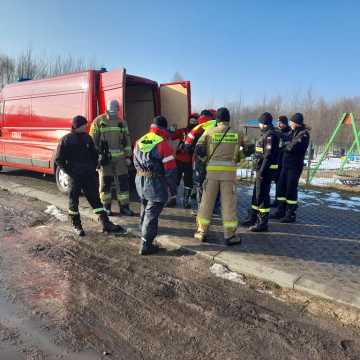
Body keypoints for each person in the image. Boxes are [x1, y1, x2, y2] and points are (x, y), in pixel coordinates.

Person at [55, 115, 127, 236]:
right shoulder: (66, 140)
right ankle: (77, 225)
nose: (86, 127)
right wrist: (70, 172)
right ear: (77, 126)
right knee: (73, 202)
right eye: (84, 125)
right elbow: (58, 160)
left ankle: (105, 223)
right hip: (75, 177)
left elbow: (93, 155)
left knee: (95, 200)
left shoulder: (87, 138)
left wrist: (98, 163)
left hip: (88, 175)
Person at [194, 107, 245, 245]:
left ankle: (201, 232)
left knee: (206, 203)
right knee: (228, 205)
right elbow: (245, 152)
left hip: (211, 174)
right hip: (229, 176)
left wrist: (206, 160)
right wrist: (238, 157)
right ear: (229, 119)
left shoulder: (209, 131)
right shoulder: (238, 133)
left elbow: (199, 149)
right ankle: (230, 235)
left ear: (217, 120)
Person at [133, 116, 178, 255]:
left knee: (144, 208)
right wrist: (173, 190)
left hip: (140, 181)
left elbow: (134, 160)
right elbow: (170, 170)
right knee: (151, 214)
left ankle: (143, 235)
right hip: (155, 184)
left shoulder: (141, 140)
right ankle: (146, 244)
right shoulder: (163, 144)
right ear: (164, 128)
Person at [90, 99, 135, 217]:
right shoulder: (98, 121)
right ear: (107, 109)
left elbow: (127, 140)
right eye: (111, 110)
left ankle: (124, 207)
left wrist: (128, 156)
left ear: (118, 109)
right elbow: (93, 141)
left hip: (120, 159)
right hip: (105, 159)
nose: (113, 112)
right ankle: (106, 207)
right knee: (106, 184)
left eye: (115, 110)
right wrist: (97, 156)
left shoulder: (122, 122)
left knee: (123, 183)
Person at [241, 112, 280, 232]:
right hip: (260, 170)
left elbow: (267, 156)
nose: (259, 124)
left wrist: (262, 171)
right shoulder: (265, 135)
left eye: (260, 122)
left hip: (265, 171)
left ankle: (263, 222)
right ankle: (252, 217)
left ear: (264, 123)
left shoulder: (270, 136)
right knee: (256, 194)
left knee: (262, 195)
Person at [272, 113, 310, 223]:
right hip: (286, 165)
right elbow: (286, 137)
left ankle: (290, 214)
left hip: (294, 166)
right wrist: (276, 133)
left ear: (296, 123)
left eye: (291, 122)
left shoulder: (304, 134)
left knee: (291, 190)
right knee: (280, 188)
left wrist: (284, 146)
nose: (289, 123)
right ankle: (280, 210)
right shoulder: (293, 132)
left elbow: (294, 147)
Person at [184, 110, 217, 213]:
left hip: (199, 161)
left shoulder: (196, 128)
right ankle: (212, 207)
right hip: (215, 161)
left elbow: (187, 146)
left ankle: (200, 208)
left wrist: (192, 149)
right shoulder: (217, 127)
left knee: (199, 184)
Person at [171, 113, 199, 208]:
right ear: (189, 121)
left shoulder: (199, 133)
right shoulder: (183, 131)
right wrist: (172, 130)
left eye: (195, 122)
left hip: (190, 161)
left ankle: (186, 201)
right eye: (191, 121)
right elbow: (172, 136)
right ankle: (172, 199)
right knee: (175, 180)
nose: (193, 123)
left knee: (188, 182)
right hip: (179, 159)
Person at [271, 115, 292, 207]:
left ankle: (282, 203)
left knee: (282, 183)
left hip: (285, 161)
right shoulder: (276, 131)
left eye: (280, 123)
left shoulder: (289, 132)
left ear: (285, 123)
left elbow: (287, 143)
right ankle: (277, 200)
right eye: (277, 122)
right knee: (277, 181)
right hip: (276, 160)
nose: (278, 124)